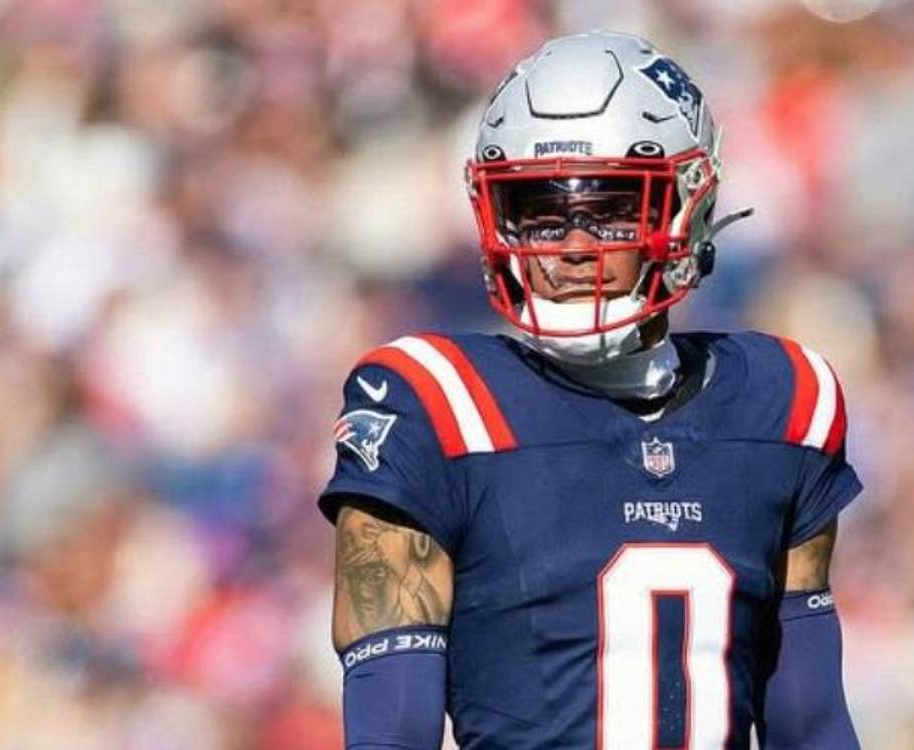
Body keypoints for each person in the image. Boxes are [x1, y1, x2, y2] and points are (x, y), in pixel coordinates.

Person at [320, 30, 862, 749]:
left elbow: (812, 724)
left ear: (687, 207)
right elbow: (390, 732)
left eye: (609, 208)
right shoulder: (434, 402)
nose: (574, 247)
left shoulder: (784, 401)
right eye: (540, 212)